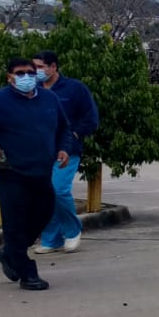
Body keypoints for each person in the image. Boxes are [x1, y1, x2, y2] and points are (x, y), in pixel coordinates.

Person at [0, 57, 71, 291]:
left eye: (30, 72)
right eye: (20, 73)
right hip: (10, 171)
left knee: (45, 212)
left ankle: (9, 252)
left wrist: (64, 148)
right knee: (15, 223)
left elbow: (64, 127)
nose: (26, 77)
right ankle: (27, 273)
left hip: (41, 170)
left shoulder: (49, 98)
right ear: (9, 77)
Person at [33, 50, 100, 254]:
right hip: (40, 150)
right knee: (45, 194)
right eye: (34, 67)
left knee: (58, 190)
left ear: (53, 67)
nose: (36, 71)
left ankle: (72, 230)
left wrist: (75, 134)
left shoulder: (74, 88)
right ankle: (51, 239)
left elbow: (91, 118)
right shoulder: (33, 90)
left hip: (67, 149)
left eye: (40, 67)